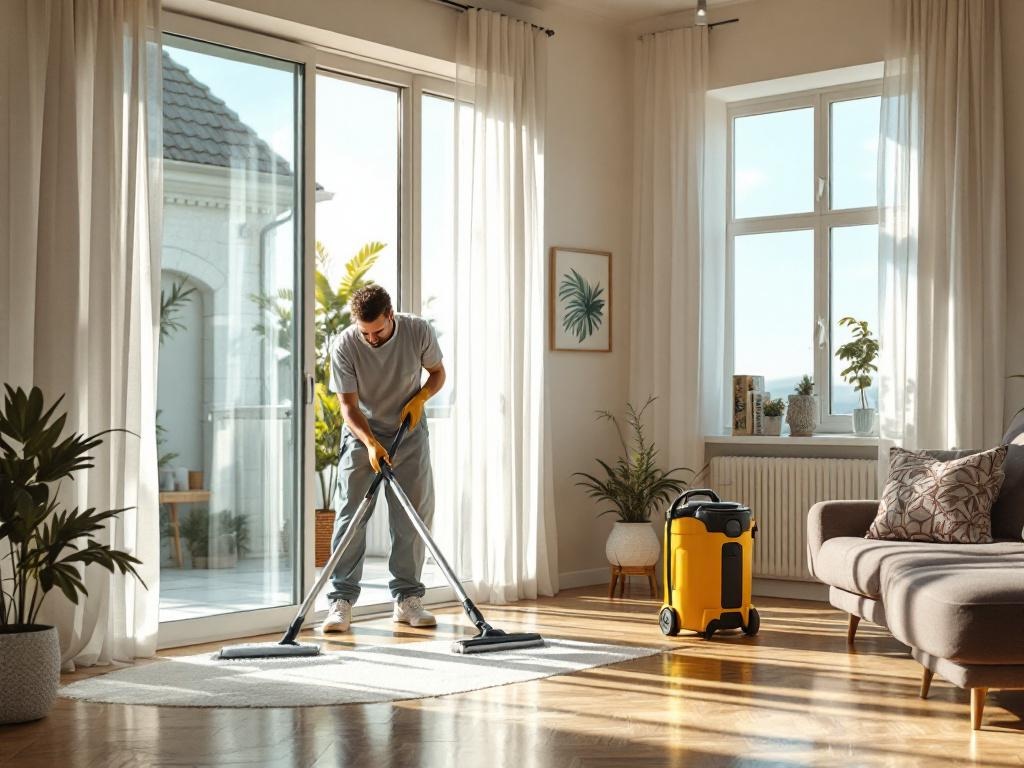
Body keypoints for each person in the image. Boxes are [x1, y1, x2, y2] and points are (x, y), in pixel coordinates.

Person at [321, 284, 445, 633]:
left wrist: (420, 398)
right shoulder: (345, 344)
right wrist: (372, 444)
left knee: (412, 515)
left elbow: (437, 374)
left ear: (390, 315)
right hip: (363, 433)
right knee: (351, 515)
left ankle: (407, 599)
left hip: (409, 430)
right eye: (365, 332)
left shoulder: (417, 330)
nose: (371, 339)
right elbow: (348, 405)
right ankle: (340, 601)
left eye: (377, 331)